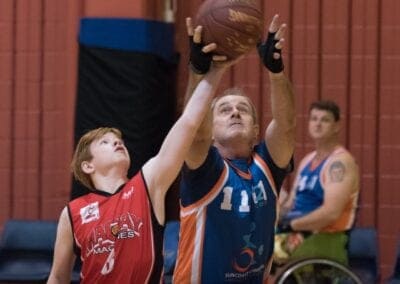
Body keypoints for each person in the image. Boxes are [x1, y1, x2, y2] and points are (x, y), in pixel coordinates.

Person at [46, 49, 238, 283]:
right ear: (87, 166)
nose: (116, 142)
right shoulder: (73, 213)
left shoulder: (147, 184)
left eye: (118, 140)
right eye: (105, 142)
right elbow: (57, 277)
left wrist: (212, 73)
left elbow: (187, 124)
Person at [173, 14, 295, 283]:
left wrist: (276, 72)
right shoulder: (205, 169)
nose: (235, 113)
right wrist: (198, 72)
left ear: (255, 130)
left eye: (243, 110)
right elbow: (194, 131)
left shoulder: (267, 165)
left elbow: (286, 125)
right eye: (225, 110)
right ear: (212, 131)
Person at [276, 99, 360, 266]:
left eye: (325, 120)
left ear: (337, 126)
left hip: (325, 238)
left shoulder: (340, 163)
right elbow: (290, 204)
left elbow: (331, 213)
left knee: (265, 254)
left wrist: (291, 224)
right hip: (296, 231)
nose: (318, 124)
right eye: (314, 119)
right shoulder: (307, 160)